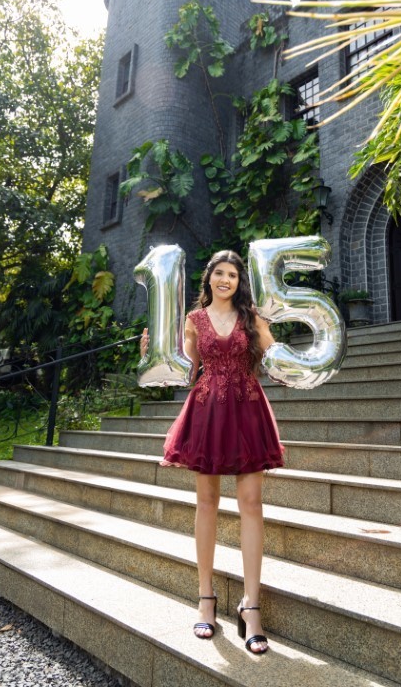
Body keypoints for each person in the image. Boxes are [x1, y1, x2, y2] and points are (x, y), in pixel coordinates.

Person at [140, 250, 284, 654]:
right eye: (219, 273)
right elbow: (186, 369)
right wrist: (152, 352)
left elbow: (276, 359)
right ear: (209, 278)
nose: (225, 280)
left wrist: (278, 346)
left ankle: (251, 607)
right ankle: (206, 600)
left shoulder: (251, 317)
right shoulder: (194, 319)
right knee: (206, 503)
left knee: (252, 504)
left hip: (247, 409)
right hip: (207, 410)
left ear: (239, 282)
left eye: (233, 275)